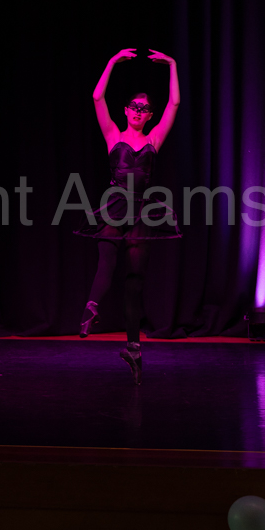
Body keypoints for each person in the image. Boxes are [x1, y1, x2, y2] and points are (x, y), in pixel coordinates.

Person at [74, 48, 181, 385]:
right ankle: (92, 307)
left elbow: (175, 103)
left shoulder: (154, 139)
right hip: (115, 204)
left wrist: (172, 65)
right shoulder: (113, 136)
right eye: (134, 106)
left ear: (149, 116)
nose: (138, 111)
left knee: (134, 281)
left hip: (141, 211)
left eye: (144, 108)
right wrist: (111, 62)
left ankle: (133, 347)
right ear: (125, 110)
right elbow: (97, 97)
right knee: (106, 260)